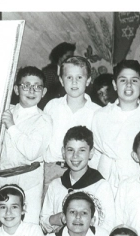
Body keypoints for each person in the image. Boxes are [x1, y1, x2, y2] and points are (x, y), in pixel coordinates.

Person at [0, 66, 51, 235]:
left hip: (27, 182)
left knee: (25, 233)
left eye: (37, 86)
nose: (32, 91)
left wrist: (11, 126)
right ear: (16, 89)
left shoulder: (43, 120)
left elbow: (31, 152)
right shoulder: (5, 110)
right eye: (26, 85)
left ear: (44, 92)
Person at [91, 60, 140, 195]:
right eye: (123, 80)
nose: (129, 85)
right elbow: (95, 154)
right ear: (114, 85)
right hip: (107, 179)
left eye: (134, 80)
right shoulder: (100, 116)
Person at [42, 56, 101, 199]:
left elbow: (98, 149)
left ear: (88, 80)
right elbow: (42, 140)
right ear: (61, 80)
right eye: (69, 77)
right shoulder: (52, 106)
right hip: (53, 171)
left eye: (79, 77)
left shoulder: (97, 112)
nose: (74, 82)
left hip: (84, 173)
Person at [40, 125, 115, 234]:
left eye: (82, 150)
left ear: (91, 152)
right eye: (70, 150)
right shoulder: (55, 185)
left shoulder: (101, 186)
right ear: (63, 152)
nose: (75, 156)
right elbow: (44, 223)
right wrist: (58, 219)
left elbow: (108, 226)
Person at [40, 42, 76, 109]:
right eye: (68, 57)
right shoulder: (48, 72)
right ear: (59, 56)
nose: (70, 60)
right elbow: (42, 97)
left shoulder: (71, 73)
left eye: (72, 58)